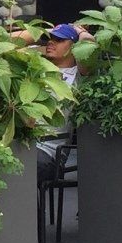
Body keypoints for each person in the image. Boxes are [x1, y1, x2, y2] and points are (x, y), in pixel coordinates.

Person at [23, 24, 83, 186]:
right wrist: (44, 31)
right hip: (23, 142)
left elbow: (89, 43)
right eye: (50, 39)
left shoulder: (79, 74)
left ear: (75, 47)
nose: (51, 43)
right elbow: (9, 42)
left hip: (49, 152)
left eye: (59, 40)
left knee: (17, 168)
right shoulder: (37, 69)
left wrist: (79, 31)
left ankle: (32, 212)